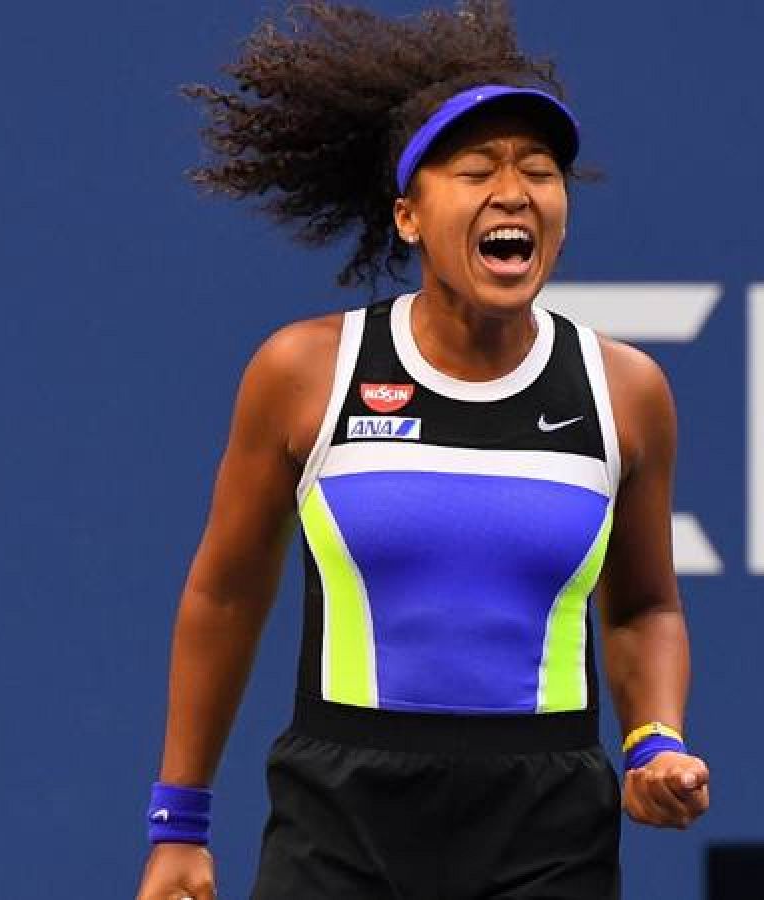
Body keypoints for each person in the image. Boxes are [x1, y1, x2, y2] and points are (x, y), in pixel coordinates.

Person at [135, 2, 710, 898]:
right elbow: (225, 593)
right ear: (407, 216)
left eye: (541, 172)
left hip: (549, 827)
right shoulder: (304, 371)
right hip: (340, 819)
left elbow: (642, 608)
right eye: (477, 168)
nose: (514, 191)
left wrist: (656, 738)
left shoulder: (625, 391)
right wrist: (180, 823)